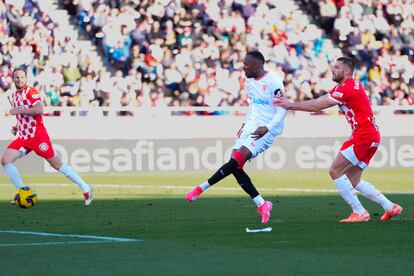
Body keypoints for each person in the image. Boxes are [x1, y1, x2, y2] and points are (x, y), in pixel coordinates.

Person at [274, 56, 402, 222]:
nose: (331, 70)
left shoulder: (347, 87)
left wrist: (289, 104)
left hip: (363, 135)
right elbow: (320, 101)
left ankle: (359, 212)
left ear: (346, 71)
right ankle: (390, 207)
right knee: (354, 179)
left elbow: (317, 105)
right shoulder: (348, 85)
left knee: (335, 170)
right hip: (371, 135)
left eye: (336, 67)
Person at [185, 51, 287, 224]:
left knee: (235, 162)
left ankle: (201, 188)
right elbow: (254, 105)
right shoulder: (249, 80)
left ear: (256, 65)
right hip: (251, 125)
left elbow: (282, 109)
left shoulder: (274, 82)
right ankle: (262, 204)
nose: (243, 68)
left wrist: (267, 128)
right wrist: (245, 124)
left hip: (267, 128)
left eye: (246, 65)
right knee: (235, 166)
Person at [1, 68, 93, 206]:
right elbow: (23, 116)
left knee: (56, 164)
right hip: (24, 137)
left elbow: (39, 110)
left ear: (26, 78)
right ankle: (23, 192)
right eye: (16, 77)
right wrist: (17, 126)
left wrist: (16, 111)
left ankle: (85, 187)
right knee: (5, 160)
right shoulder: (14, 96)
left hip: (38, 137)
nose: (19, 80)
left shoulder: (32, 92)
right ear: (13, 79)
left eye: (22, 77)